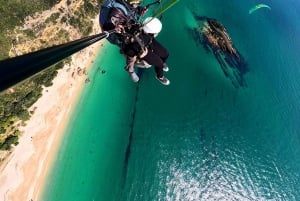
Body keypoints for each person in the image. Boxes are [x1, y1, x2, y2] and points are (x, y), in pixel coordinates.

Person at [122, 17, 170, 85]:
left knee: (166, 54)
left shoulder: (147, 35)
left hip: (149, 42)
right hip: (142, 50)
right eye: (156, 33)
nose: (157, 33)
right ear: (152, 33)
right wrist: (141, 56)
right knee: (159, 63)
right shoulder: (138, 42)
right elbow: (129, 52)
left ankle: (162, 63)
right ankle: (160, 76)